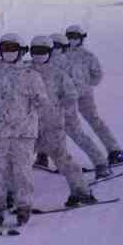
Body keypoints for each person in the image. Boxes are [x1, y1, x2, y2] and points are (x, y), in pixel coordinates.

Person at [0, 34, 50, 229]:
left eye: (12, 48)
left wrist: (30, 117)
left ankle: (23, 206)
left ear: (21, 50)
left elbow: (42, 103)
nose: (8, 52)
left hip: (22, 134)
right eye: (5, 48)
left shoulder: (31, 76)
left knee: (22, 172)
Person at [27, 36, 98, 207]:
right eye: (35, 51)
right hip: (28, 125)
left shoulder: (57, 74)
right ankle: (13, 197)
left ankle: (81, 191)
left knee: (62, 158)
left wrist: (61, 113)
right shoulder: (25, 72)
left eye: (43, 52)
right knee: (18, 159)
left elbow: (71, 96)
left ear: (50, 53)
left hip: (52, 125)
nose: (39, 55)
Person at [62, 24, 123, 165]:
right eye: (69, 37)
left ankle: (114, 150)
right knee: (57, 124)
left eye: (75, 37)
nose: (72, 40)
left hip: (84, 96)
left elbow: (97, 75)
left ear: (81, 38)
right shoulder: (61, 54)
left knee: (95, 121)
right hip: (67, 97)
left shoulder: (88, 56)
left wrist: (85, 85)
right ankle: (46, 156)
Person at [49, 36, 110, 177]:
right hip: (59, 106)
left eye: (56, 45)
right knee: (64, 135)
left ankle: (100, 163)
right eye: (53, 45)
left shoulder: (63, 62)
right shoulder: (69, 61)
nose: (54, 48)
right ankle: (99, 163)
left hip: (61, 106)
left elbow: (78, 84)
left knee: (71, 134)